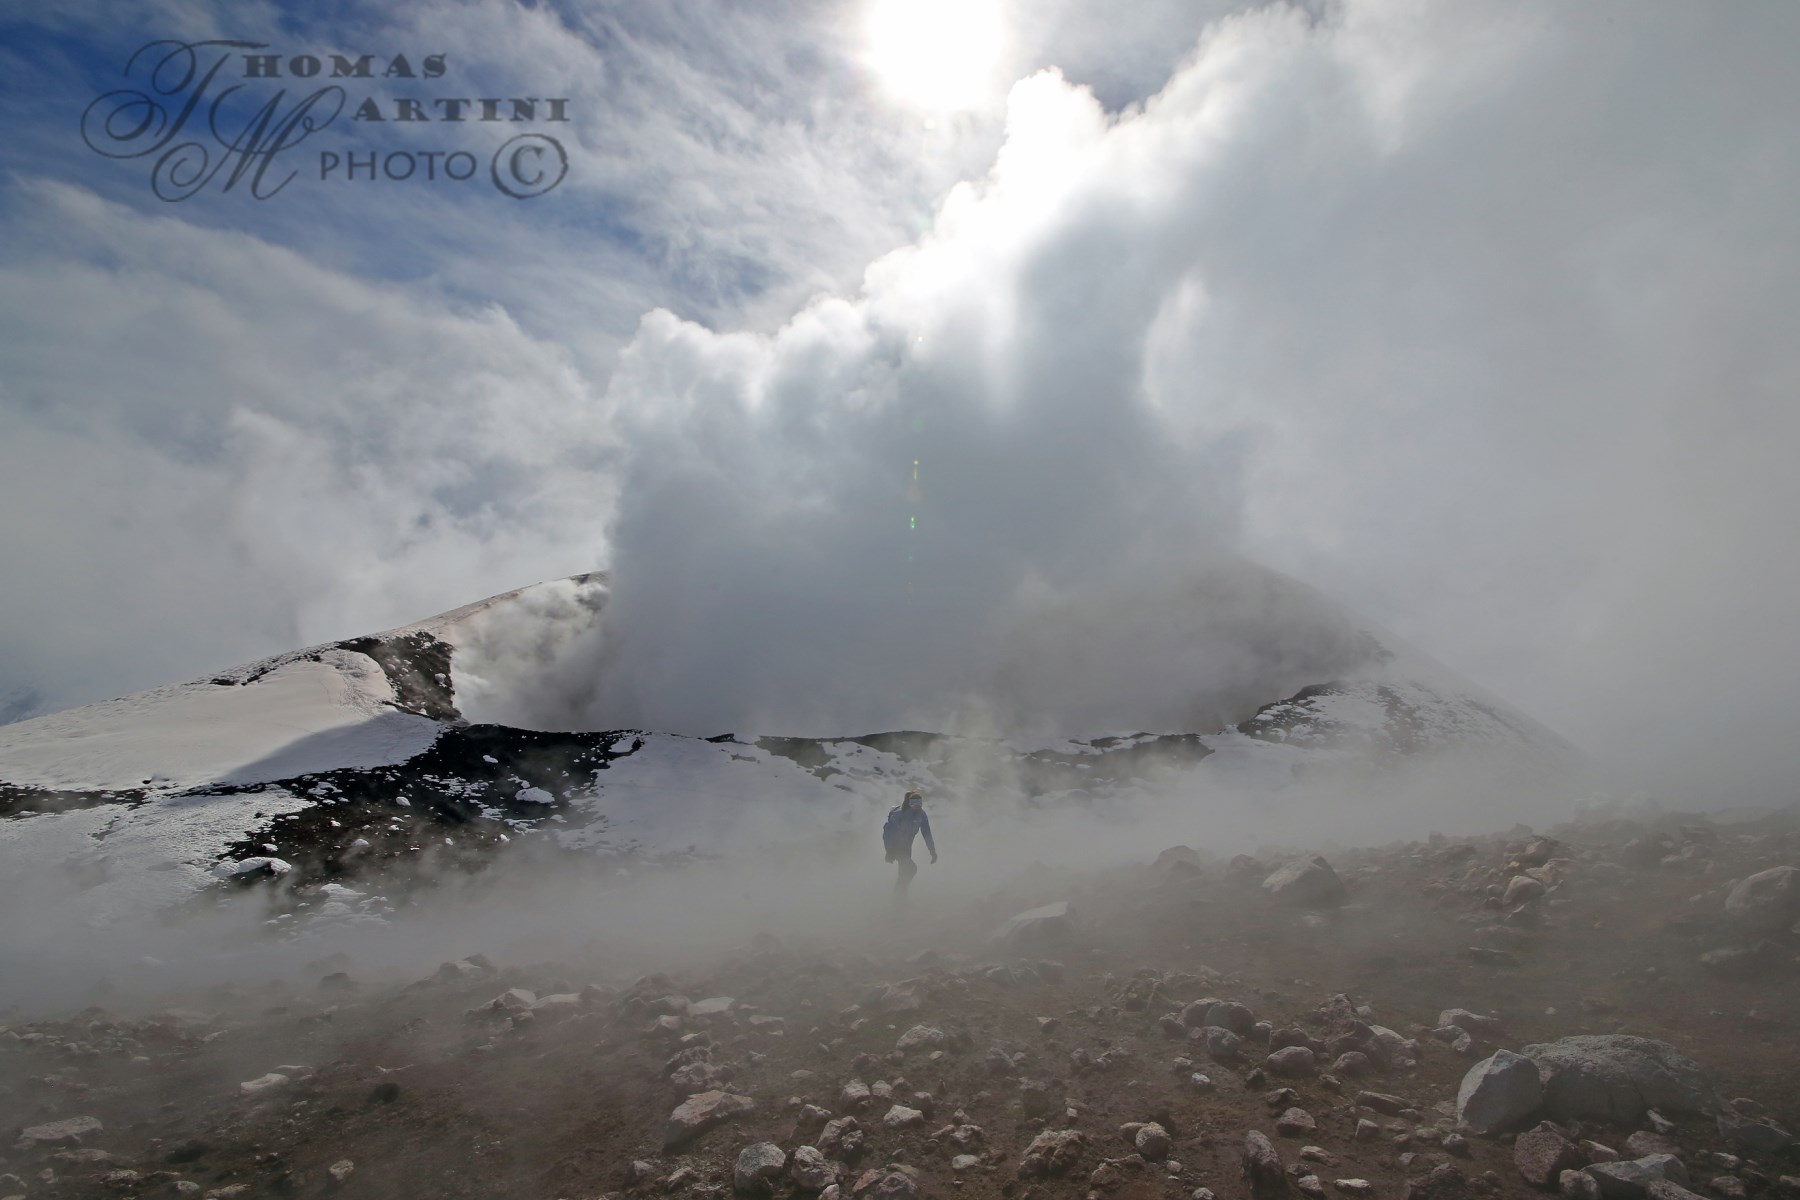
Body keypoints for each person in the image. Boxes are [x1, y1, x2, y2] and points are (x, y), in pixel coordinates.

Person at [882, 788, 937, 899]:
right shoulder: (899, 814)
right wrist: (889, 851)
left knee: (903, 872)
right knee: (911, 868)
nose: (918, 806)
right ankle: (899, 895)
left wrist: (932, 850)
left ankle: (899, 898)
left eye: (920, 803)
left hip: (907, 847)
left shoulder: (921, 814)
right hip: (895, 847)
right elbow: (887, 833)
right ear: (910, 803)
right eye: (915, 803)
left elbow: (926, 832)